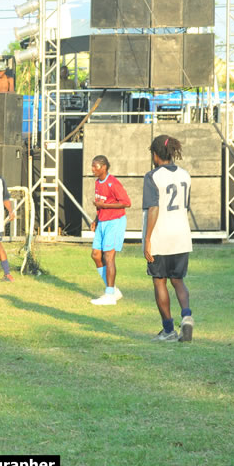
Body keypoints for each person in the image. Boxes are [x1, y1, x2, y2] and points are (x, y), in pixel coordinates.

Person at [142, 135, 194, 342]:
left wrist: (147, 240)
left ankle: (168, 330)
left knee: (159, 281)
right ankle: (187, 317)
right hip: (182, 234)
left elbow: (153, 208)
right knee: (178, 281)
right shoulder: (185, 175)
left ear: (155, 155)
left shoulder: (152, 176)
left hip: (161, 236)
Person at [89, 155, 131, 305]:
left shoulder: (113, 183)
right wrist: (96, 220)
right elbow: (101, 203)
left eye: (95, 166)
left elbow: (127, 203)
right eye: (92, 166)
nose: (92, 169)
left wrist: (105, 206)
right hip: (102, 221)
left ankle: (109, 294)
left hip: (114, 222)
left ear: (104, 167)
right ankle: (113, 290)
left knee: (109, 256)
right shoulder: (97, 182)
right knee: (95, 255)